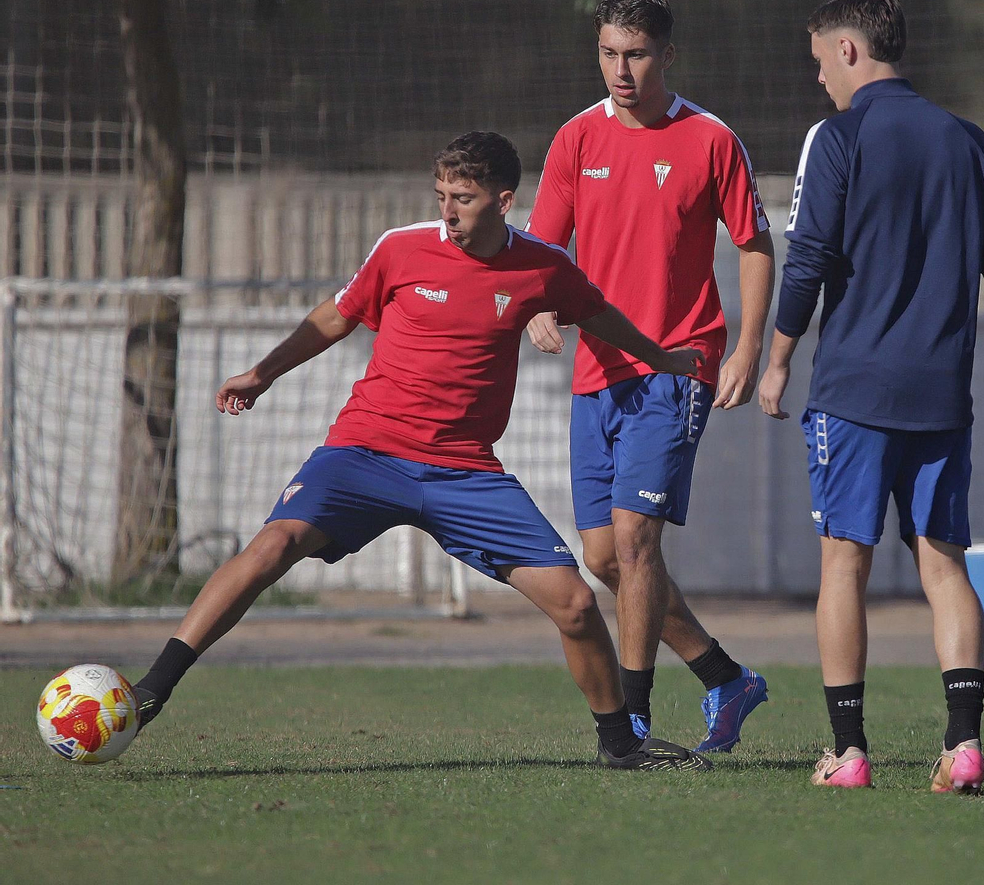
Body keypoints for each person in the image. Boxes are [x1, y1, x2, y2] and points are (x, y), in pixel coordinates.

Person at [130, 131, 711, 771]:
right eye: (441, 195)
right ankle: (150, 692)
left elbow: (600, 315)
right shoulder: (401, 249)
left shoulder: (542, 266)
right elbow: (337, 315)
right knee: (272, 546)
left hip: (465, 471)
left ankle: (620, 745)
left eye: (462, 198)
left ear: (503, 200)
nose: (448, 211)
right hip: (367, 451)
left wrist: (657, 358)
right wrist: (263, 373)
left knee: (575, 604)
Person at [758, 0, 984, 794]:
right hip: (943, 390)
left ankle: (848, 753)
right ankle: (965, 745)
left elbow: (807, 257)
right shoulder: (967, 139)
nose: (819, 81)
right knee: (944, 565)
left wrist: (777, 359)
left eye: (820, 62)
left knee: (843, 563)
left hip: (852, 391)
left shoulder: (840, 137)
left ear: (850, 50)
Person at [525, 0, 773, 753]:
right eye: (607, 52)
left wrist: (747, 348)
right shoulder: (575, 139)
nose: (620, 69)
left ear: (667, 54)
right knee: (605, 556)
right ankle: (726, 676)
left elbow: (754, 244)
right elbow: (541, 248)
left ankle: (631, 722)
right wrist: (536, 304)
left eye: (635, 54)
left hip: (678, 363)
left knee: (634, 541)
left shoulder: (710, 139)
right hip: (597, 374)